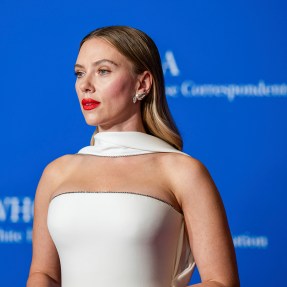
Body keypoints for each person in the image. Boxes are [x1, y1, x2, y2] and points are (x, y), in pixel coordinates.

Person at [26, 26, 240, 287]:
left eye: (103, 71)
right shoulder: (56, 172)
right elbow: (43, 275)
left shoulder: (184, 172)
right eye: (79, 73)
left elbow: (221, 282)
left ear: (143, 83)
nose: (85, 85)